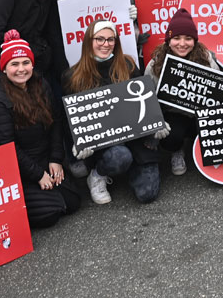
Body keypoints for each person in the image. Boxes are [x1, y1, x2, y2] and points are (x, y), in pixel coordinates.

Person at [0, 31, 83, 225]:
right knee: (51, 212)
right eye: (14, 64)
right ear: (4, 68)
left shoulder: (40, 84)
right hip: (20, 169)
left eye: (25, 63)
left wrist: (55, 159)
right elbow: (7, 147)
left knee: (73, 201)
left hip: (44, 158)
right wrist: (38, 174)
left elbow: (55, 121)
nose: (21, 69)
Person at [65, 21, 162, 205]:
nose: (106, 44)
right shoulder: (73, 76)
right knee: (119, 157)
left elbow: (145, 102)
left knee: (147, 193)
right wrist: (79, 141)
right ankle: (98, 175)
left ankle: (135, 167)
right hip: (105, 146)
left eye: (111, 39)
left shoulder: (128, 65)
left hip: (136, 139)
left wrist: (156, 125)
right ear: (89, 41)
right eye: (100, 39)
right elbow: (70, 118)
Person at [144, 9, 220, 176]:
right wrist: (156, 123)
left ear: (195, 40)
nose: (182, 43)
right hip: (173, 114)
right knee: (171, 137)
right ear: (168, 40)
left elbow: (218, 92)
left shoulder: (206, 58)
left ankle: (205, 149)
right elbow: (147, 99)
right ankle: (177, 151)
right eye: (176, 38)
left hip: (199, 113)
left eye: (188, 38)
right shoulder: (155, 64)